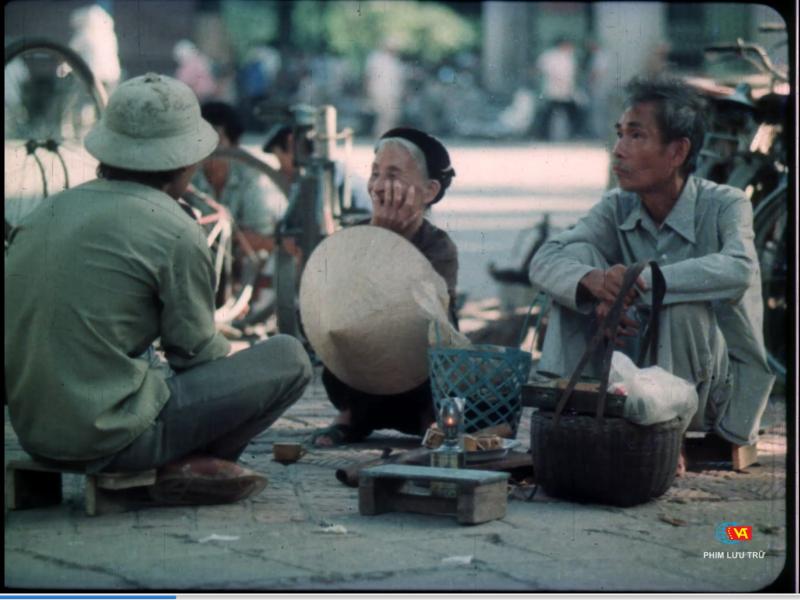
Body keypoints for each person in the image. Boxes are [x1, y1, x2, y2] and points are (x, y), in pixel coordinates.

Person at [5, 73, 312, 505]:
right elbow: (195, 354)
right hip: (112, 438)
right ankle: (188, 463)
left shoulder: (50, 208)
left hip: (36, 434)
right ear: (188, 162)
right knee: (290, 357)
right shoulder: (174, 227)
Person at [528, 76, 774, 458]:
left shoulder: (726, 204)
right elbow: (544, 259)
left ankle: (667, 436)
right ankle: (569, 411)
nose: (618, 151)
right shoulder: (616, 206)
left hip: (709, 401)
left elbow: (739, 268)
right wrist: (596, 287)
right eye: (619, 134)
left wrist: (636, 282)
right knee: (577, 268)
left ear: (677, 152)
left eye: (636, 136)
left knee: (680, 298)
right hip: (631, 384)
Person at [311, 127, 458, 447]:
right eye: (375, 173)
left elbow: (419, 312)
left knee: (439, 324)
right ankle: (350, 413)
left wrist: (390, 244)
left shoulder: (438, 246)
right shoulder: (354, 235)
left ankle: (429, 418)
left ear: (429, 191)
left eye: (392, 175)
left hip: (416, 379)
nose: (378, 185)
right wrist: (377, 236)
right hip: (360, 379)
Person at [192, 101, 287, 237]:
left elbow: (260, 235)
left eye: (215, 142)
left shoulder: (252, 178)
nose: (208, 150)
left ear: (234, 145)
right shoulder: (186, 177)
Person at [262, 123, 372, 214]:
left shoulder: (326, 176)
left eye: (279, 159)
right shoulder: (324, 172)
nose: (280, 169)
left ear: (291, 143)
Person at [534, 37, 581, 141]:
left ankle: (573, 134)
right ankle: (543, 135)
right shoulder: (550, 56)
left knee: (572, 113)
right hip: (553, 90)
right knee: (549, 114)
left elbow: (572, 74)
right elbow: (539, 69)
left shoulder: (569, 57)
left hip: (567, 91)